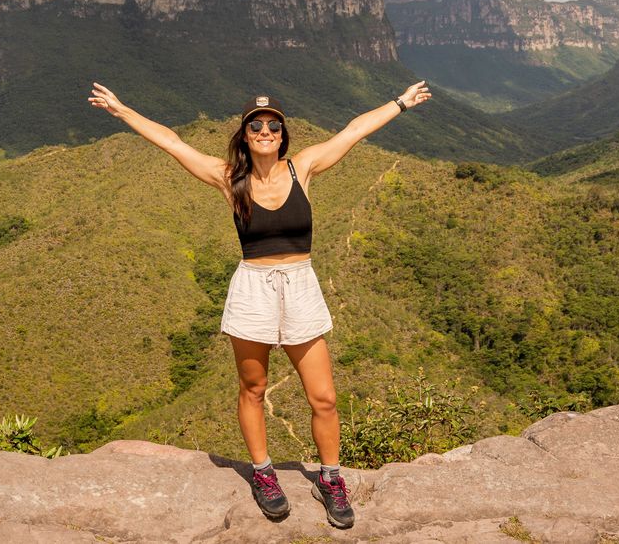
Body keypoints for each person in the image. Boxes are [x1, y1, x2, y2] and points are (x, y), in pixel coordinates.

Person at [87, 80, 430, 528]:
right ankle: (264, 474)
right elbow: (172, 143)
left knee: (324, 397)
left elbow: (353, 131)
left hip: (300, 286)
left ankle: (330, 479)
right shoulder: (231, 178)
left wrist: (400, 103)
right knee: (253, 388)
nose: (265, 131)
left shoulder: (302, 168)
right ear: (245, 135)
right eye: (256, 125)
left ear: (283, 134)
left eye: (273, 125)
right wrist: (122, 110)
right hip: (253, 290)